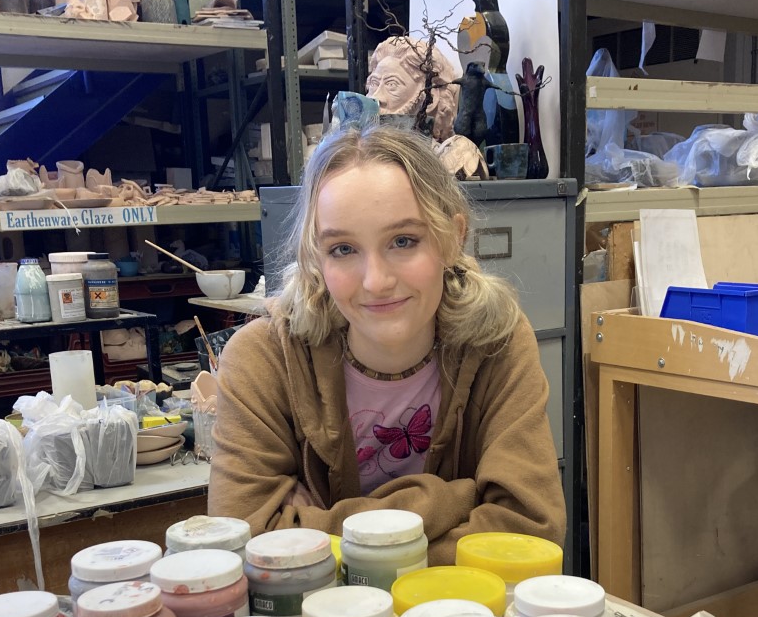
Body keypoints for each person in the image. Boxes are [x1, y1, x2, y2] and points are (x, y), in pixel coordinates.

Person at [207, 124, 565, 564]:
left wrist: (312, 529)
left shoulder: (497, 341)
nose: (376, 281)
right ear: (316, 257)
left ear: (452, 238)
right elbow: (243, 543)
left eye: (403, 241)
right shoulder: (262, 359)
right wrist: (452, 501)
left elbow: (530, 529)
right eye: (342, 249)